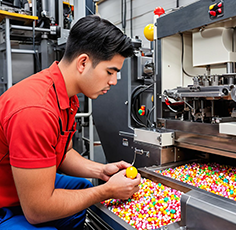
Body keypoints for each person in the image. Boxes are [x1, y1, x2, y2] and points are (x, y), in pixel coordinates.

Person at [0, 15, 141, 230]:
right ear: (83, 62)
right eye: (110, 72)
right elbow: (37, 211)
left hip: (21, 185)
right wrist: (106, 191)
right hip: (7, 201)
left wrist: (101, 171)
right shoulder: (36, 109)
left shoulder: (66, 96)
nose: (113, 81)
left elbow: (63, 153)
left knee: (81, 187)